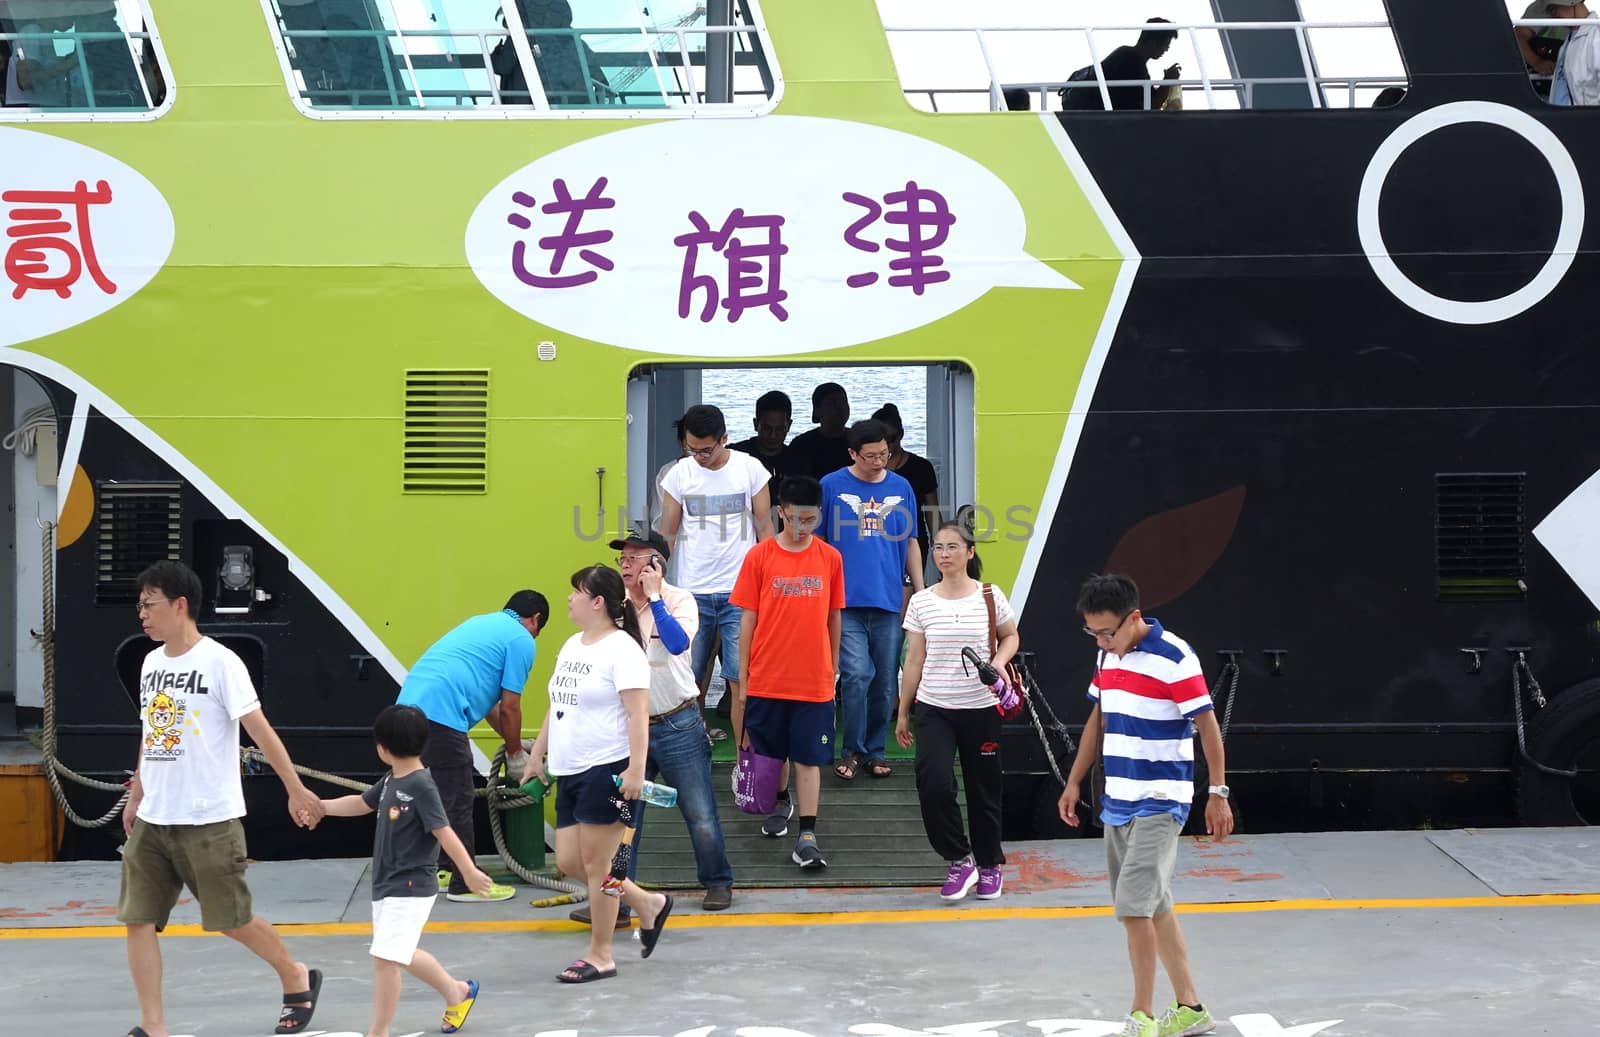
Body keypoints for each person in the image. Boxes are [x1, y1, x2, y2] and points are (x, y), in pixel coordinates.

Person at [117, 560, 326, 1037]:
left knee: (231, 920)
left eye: (149, 605)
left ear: (180, 604)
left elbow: (261, 732)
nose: (141, 615)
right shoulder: (152, 664)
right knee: (138, 920)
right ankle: (153, 1025)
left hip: (208, 817)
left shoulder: (220, 662)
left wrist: (295, 789)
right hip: (154, 817)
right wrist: (137, 792)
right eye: (139, 606)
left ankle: (295, 976)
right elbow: (152, 732)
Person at [1057, 574, 1233, 1037]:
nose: (1100, 641)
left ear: (1134, 618)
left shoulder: (1175, 656)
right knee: (1154, 906)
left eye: (1107, 632)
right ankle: (1191, 1007)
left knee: (1133, 908)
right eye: (1092, 632)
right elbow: (1098, 719)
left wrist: (1217, 793)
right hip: (1118, 798)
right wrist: (1074, 781)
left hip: (1161, 799)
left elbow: (1208, 727)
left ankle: (1142, 1016)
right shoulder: (1105, 655)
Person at [567, 529, 734, 925]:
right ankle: (618, 902)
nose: (624, 565)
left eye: (634, 558)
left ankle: (717, 881)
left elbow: (677, 644)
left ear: (657, 563)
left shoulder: (680, 601)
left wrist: (655, 597)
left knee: (699, 811)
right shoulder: (614, 607)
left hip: (677, 723)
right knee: (623, 822)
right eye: (621, 559)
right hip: (627, 729)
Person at [521, 565, 673, 981]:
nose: (569, 599)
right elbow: (558, 703)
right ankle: (649, 904)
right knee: (571, 862)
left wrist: (636, 770)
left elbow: (638, 715)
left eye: (576, 593)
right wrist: (538, 755)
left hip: (605, 767)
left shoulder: (623, 650)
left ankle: (601, 954)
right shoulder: (572, 644)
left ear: (597, 602)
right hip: (569, 769)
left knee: (600, 868)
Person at [314, 705, 491, 1037]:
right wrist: (322, 807)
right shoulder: (391, 778)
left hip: (410, 885)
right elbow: (361, 803)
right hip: (387, 884)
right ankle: (458, 992)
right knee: (399, 952)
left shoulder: (422, 785)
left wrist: (467, 871)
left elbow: (444, 831)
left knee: (384, 958)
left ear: (381, 748)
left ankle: (378, 1031)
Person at [395, 591, 549, 903]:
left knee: (432, 795)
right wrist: (518, 755)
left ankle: (442, 870)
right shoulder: (521, 639)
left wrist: (511, 745)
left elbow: (491, 707)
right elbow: (510, 707)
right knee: (458, 799)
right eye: (537, 629)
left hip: (405, 710)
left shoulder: (483, 625)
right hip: (441, 714)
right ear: (535, 620)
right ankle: (466, 883)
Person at [895, 522, 1018, 902]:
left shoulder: (989, 595)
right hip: (934, 707)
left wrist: (997, 664)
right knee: (934, 783)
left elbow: (1011, 635)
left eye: (953, 547)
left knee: (984, 789)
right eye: (938, 548)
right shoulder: (922, 601)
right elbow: (913, 659)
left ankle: (990, 865)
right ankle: (958, 859)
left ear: (970, 552)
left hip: (981, 708)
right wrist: (903, 712)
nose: (944, 554)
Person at [731, 475, 844, 870]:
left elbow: (834, 618)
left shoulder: (830, 558)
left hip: (814, 679)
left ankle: (808, 836)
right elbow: (747, 621)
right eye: (795, 519)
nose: (801, 528)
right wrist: (744, 681)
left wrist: (833, 669)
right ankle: (780, 803)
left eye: (810, 520)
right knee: (771, 754)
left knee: (809, 758)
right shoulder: (759, 557)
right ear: (780, 513)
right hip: (767, 676)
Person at [658, 404, 773, 742]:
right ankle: (694, 740)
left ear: (724, 438)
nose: (699, 456)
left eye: (706, 449)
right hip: (693, 591)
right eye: (691, 449)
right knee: (690, 672)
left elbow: (765, 531)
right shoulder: (679, 473)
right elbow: (669, 531)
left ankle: (745, 752)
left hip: (742, 590)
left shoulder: (750, 469)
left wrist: (765, 584)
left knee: (741, 676)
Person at [820, 419, 925, 781]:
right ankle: (850, 749)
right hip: (843, 602)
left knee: (884, 680)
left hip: (888, 599)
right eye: (870, 456)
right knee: (856, 674)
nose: (879, 461)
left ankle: (875, 750)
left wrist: (920, 592)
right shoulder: (831, 486)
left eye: (884, 454)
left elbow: (911, 541)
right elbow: (818, 545)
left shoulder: (903, 487)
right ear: (852, 454)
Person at [872, 403, 941, 570]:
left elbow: (932, 511)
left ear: (901, 434)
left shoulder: (921, 467)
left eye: (891, 439)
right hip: (875, 541)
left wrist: (940, 546)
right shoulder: (866, 470)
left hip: (913, 541)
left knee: (908, 591)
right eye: (880, 440)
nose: (886, 445)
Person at [1062, 17, 1179, 112]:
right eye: (1166, 44)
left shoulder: (1128, 57)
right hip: (1103, 122)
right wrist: (1168, 80)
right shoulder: (1131, 62)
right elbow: (1152, 104)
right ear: (1153, 42)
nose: (1166, 49)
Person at [786, 382, 853, 480]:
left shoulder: (859, 441)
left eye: (843, 401)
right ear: (817, 410)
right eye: (832, 403)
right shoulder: (802, 445)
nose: (840, 407)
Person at [729, 389, 796, 479]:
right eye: (766, 428)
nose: (773, 436)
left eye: (779, 429)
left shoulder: (797, 462)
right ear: (755, 424)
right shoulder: (734, 457)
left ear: (789, 426)